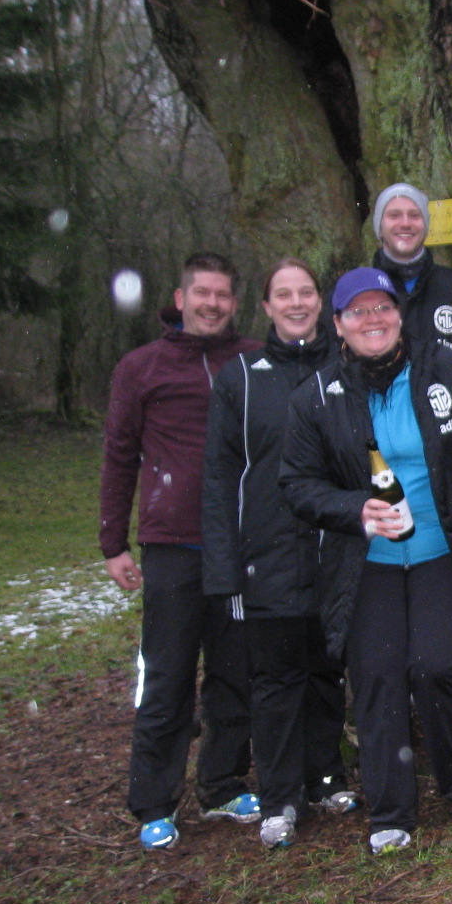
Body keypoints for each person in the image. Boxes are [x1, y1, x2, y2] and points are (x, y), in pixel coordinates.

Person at [280, 267, 452, 855]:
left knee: (439, 666)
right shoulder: (317, 395)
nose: (373, 320)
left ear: (399, 314)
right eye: (357, 312)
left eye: (382, 307)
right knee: (377, 674)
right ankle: (390, 810)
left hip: (440, 551)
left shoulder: (446, 369)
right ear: (337, 325)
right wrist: (353, 507)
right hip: (366, 563)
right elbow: (297, 484)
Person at [101, 252, 260, 851]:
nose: (212, 304)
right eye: (202, 293)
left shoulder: (252, 359)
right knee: (167, 675)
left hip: (240, 543)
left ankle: (221, 784)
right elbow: (119, 455)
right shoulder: (141, 368)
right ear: (181, 297)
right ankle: (153, 801)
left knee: (234, 671)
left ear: (234, 302)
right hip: (173, 544)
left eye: (222, 295)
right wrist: (113, 542)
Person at [202, 259, 355, 849]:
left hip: (334, 552)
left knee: (326, 670)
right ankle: (280, 797)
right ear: (265, 307)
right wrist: (224, 570)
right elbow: (220, 481)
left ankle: (326, 777)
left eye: (306, 292)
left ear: (321, 303)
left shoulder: (344, 369)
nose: (296, 303)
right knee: (274, 681)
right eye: (283, 294)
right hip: (264, 558)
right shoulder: (240, 379)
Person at [369, 182, 452, 350]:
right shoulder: (357, 291)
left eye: (415, 215)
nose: (405, 223)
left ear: (426, 226)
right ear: (379, 228)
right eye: (394, 215)